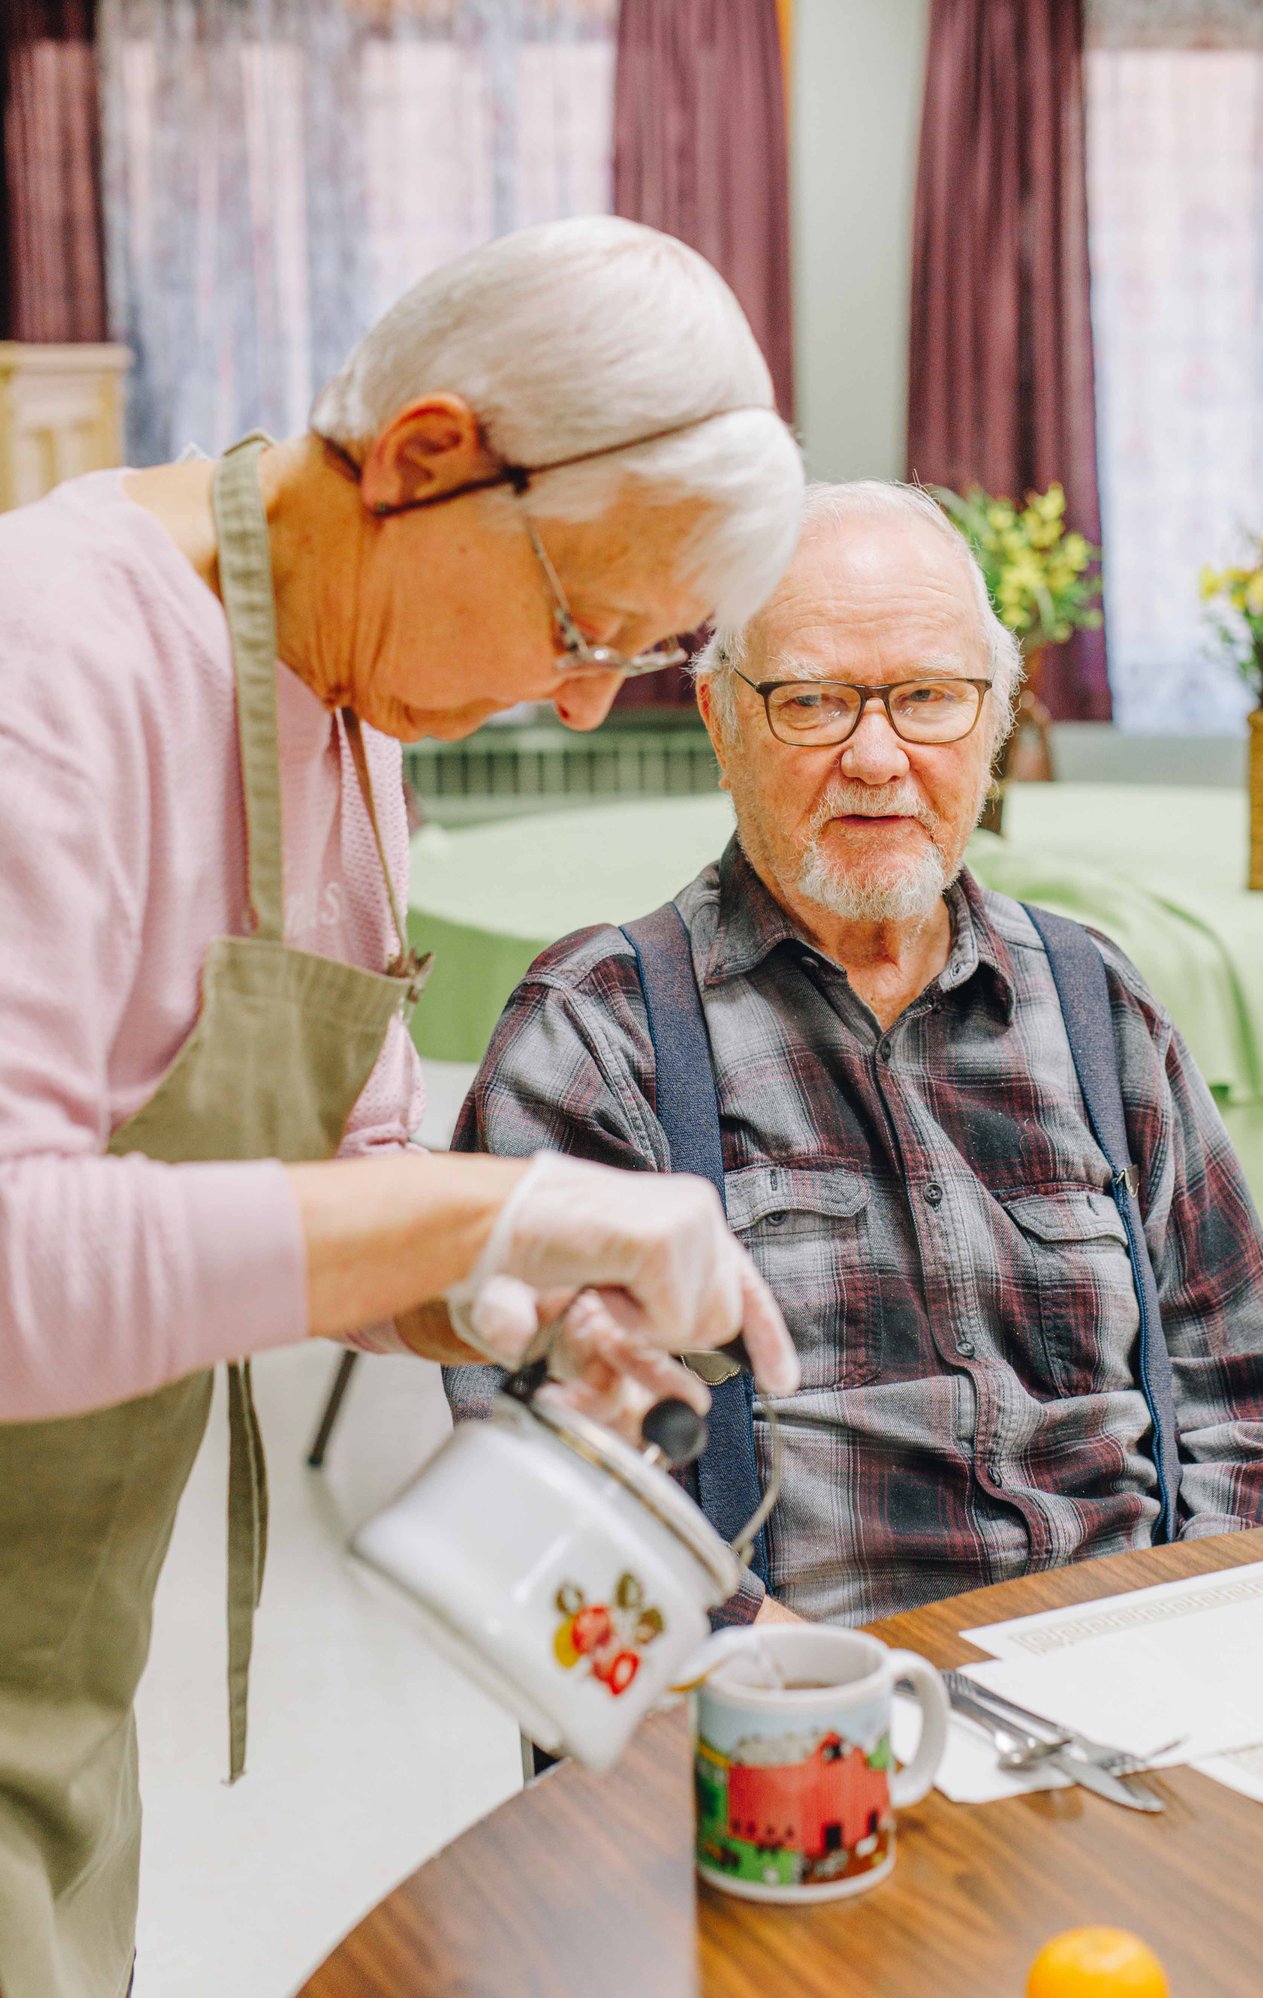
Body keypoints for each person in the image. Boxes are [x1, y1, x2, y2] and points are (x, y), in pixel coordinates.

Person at [0, 216, 803, 1998]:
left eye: (643, 660)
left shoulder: (352, 722)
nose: (586, 701)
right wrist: (487, 1210)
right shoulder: (53, 657)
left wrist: (502, 1300)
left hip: (54, 1645)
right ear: (429, 455)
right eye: (584, 622)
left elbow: (337, 1182)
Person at [449, 480, 1263, 1628]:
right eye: (812, 702)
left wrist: (1193, 1627)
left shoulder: (1090, 1001)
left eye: (926, 698)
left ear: (992, 726)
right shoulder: (595, 1039)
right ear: (721, 725)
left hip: (1131, 1674)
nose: (876, 757)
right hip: (797, 1715)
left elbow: (1257, 1387)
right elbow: (544, 1495)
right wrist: (786, 1686)